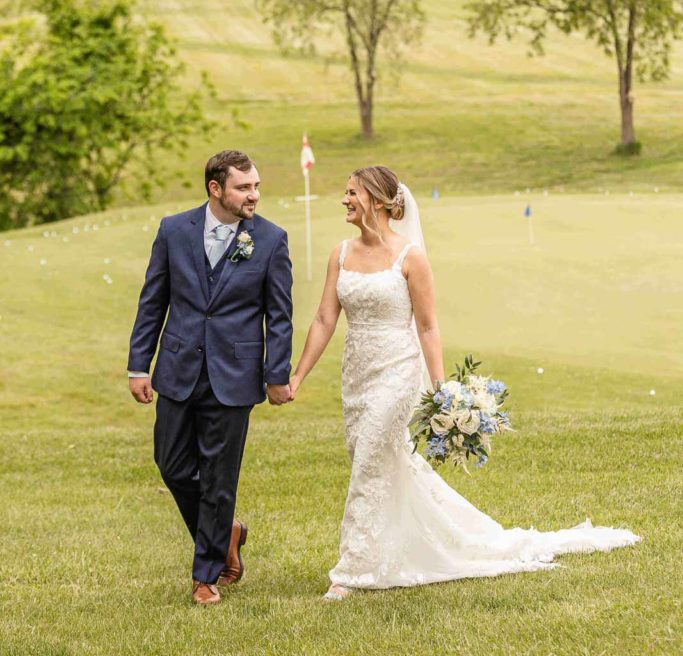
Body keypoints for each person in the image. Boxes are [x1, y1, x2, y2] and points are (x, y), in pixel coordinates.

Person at [289, 165, 640, 600]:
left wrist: (441, 393)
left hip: (398, 374)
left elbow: (429, 326)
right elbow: (325, 318)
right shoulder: (340, 254)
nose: (344, 200)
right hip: (356, 376)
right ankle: (401, 548)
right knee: (376, 462)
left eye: (351, 193)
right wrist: (298, 375)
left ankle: (353, 570)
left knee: (370, 463)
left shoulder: (410, 256)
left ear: (378, 201)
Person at [127, 150, 293, 605]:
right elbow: (152, 302)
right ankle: (228, 532)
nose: (254, 195)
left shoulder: (272, 240)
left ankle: (206, 574)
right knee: (172, 464)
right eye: (244, 187)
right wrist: (139, 364)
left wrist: (277, 374)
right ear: (215, 188)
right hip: (178, 369)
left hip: (235, 376)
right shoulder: (173, 231)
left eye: (256, 186)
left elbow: (279, 317)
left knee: (219, 477)